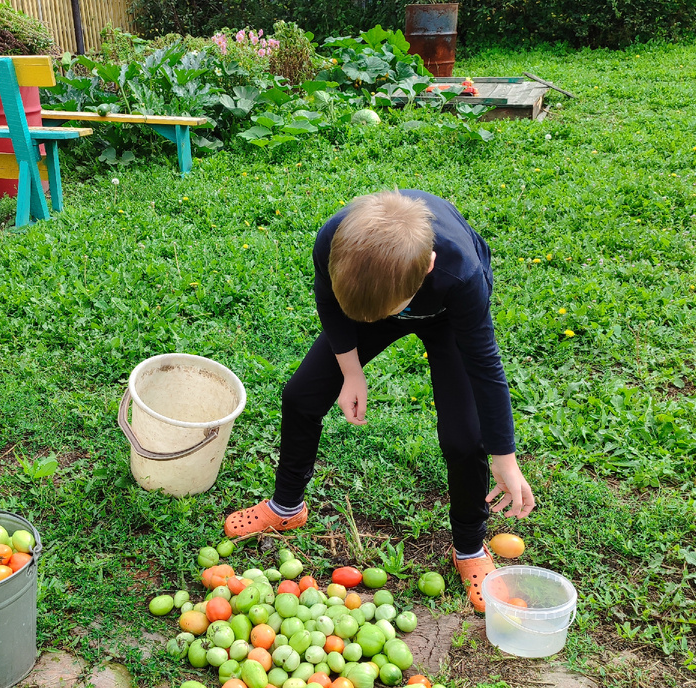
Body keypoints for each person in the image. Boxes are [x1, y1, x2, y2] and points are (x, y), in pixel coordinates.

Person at [223, 189, 534, 612]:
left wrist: (505, 457)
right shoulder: (335, 241)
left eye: (392, 313)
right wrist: (351, 371)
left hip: (445, 315)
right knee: (300, 395)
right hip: (371, 295)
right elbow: (330, 304)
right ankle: (287, 506)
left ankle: (470, 548)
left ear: (427, 267)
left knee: (465, 438)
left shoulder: (462, 275)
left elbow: (485, 366)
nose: (385, 324)